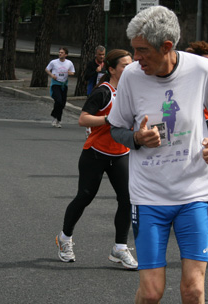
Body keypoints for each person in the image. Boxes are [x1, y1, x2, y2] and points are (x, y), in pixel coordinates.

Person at [108, 6, 208, 303]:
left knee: (193, 290)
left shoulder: (200, 69)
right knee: (152, 293)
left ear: (166, 47)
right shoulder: (130, 76)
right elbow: (115, 128)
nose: (136, 58)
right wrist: (137, 138)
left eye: (142, 50)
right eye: (133, 50)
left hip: (193, 192)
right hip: (149, 195)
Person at [56, 49, 137, 269]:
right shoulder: (104, 91)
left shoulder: (134, 91)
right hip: (95, 153)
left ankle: (120, 248)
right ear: (112, 69)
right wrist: (108, 119)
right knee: (85, 197)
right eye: (124, 65)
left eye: (132, 64)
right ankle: (65, 238)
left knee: (127, 200)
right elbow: (83, 119)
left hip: (121, 154)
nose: (130, 68)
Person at [45, 47, 75, 128]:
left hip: (64, 84)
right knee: (58, 100)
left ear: (66, 55)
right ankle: (55, 117)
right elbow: (47, 69)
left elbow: (73, 72)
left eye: (62, 53)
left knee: (62, 103)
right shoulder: (54, 62)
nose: (60, 54)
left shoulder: (69, 63)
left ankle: (58, 120)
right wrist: (52, 75)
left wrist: (70, 73)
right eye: (59, 52)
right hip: (56, 83)